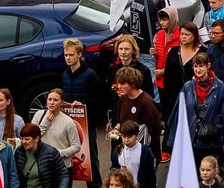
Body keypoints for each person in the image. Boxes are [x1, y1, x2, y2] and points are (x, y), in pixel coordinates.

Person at [165, 53, 224, 164]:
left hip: (211, 139)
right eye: (195, 66)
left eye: (201, 66)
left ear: (208, 66)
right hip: (192, 138)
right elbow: (179, 114)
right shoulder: (187, 86)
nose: (198, 69)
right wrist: (174, 140)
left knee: (208, 172)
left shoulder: (219, 86)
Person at [60, 36, 103, 187]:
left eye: (71, 55)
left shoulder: (90, 74)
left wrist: (83, 104)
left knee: (89, 157)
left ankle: (95, 185)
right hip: (69, 122)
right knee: (70, 157)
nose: (68, 58)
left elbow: (99, 99)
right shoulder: (64, 75)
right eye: (66, 55)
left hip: (86, 123)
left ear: (79, 55)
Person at [32, 89, 80, 186]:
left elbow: (76, 146)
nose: (52, 102)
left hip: (62, 168)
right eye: (49, 99)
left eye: (55, 100)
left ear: (62, 102)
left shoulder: (68, 122)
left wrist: (58, 154)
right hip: (42, 166)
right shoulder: (38, 115)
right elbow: (32, 138)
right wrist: (45, 123)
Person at [111, 68, 162, 161]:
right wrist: (116, 129)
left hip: (144, 153)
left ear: (133, 84)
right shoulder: (123, 99)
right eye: (118, 83)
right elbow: (120, 121)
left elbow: (155, 129)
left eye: (122, 84)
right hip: (126, 151)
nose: (119, 86)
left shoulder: (146, 102)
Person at [15, 123, 67, 188]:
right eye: (22, 139)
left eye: (27, 139)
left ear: (36, 139)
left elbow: (63, 174)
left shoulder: (51, 152)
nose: (23, 142)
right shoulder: (19, 152)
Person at [110, 121, 157, 188]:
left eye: (129, 137)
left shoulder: (145, 152)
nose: (126, 140)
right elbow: (114, 170)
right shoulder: (118, 149)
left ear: (137, 135)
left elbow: (151, 175)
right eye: (123, 136)